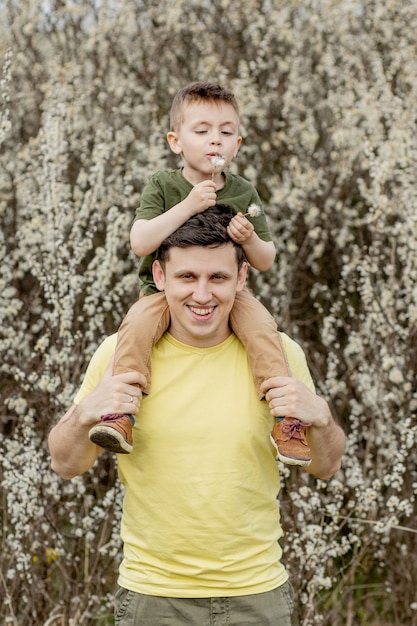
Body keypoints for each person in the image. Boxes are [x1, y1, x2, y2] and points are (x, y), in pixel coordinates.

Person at [49, 206, 346, 626]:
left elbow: (327, 465)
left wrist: (320, 416)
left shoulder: (280, 355)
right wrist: (85, 414)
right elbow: (64, 464)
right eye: (188, 277)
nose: (203, 295)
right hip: (153, 599)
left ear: (241, 279)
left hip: (257, 597)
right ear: (160, 276)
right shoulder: (119, 355)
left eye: (218, 278)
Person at [88, 82, 311, 466]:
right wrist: (188, 206)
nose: (215, 141)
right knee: (137, 327)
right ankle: (120, 414)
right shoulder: (164, 184)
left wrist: (250, 239)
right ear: (176, 141)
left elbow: (266, 258)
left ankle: (287, 420)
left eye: (226, 133)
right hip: (161, 294)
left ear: (237, 145)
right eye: (202, 130)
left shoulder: (244, 192)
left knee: (263, 329)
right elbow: (141, 242)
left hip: (229, 297)